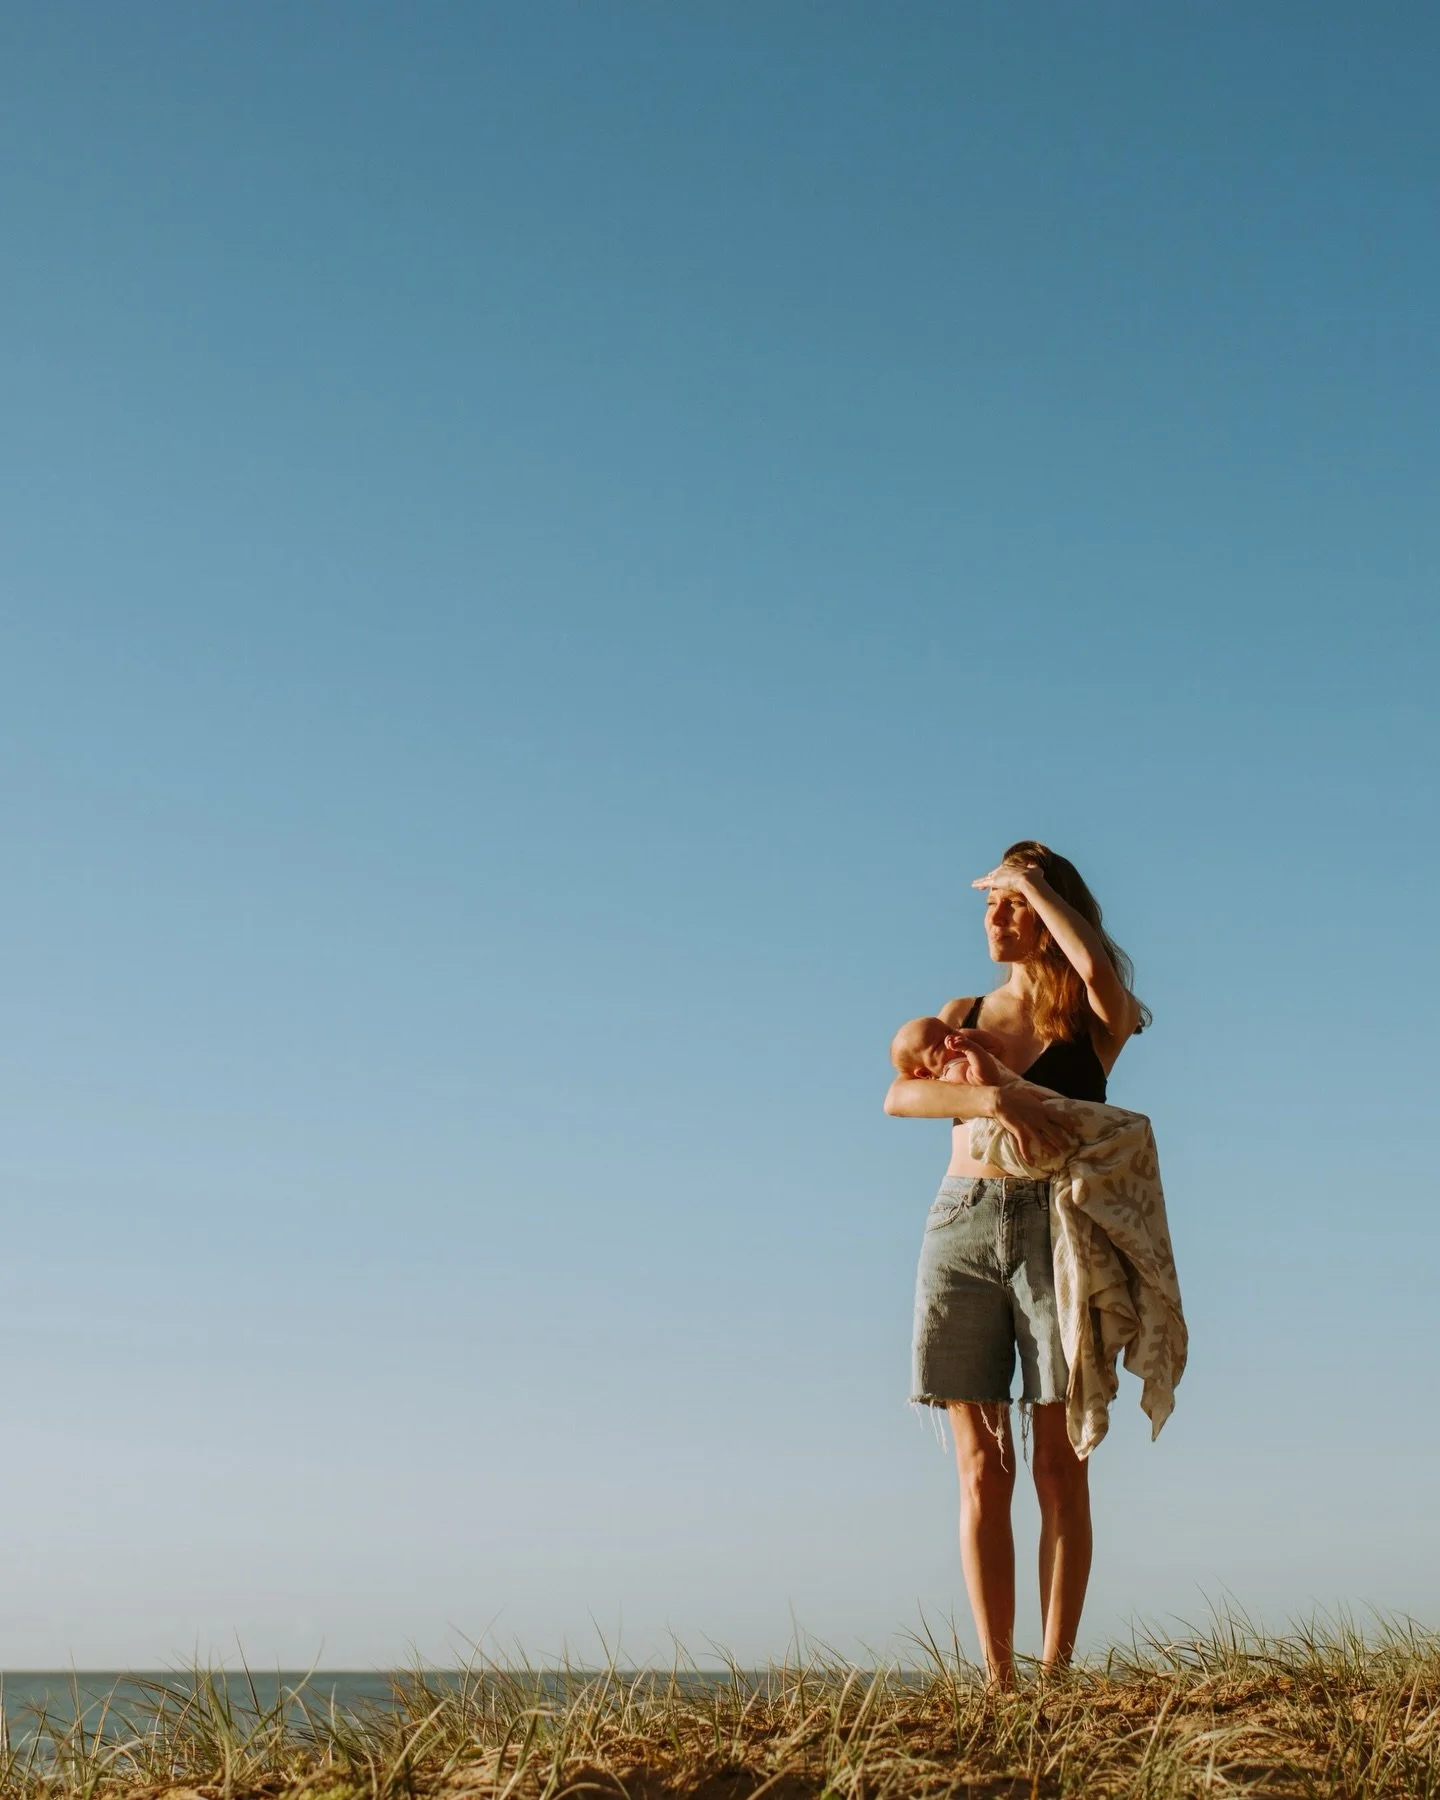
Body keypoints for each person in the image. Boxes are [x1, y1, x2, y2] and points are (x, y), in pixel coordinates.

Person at [883, 841, 1149, 1685]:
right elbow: (900, 1096)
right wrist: (990, 1094)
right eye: (991, 902)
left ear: (1049, 910)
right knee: (979, 1466)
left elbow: (1102, 976)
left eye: (1013, 904)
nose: (995, 916)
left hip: (1056, 1231)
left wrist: (1033, 880)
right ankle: (998, 1681)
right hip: (960, 1227)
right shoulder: (962, 1013)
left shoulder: (1094, 1019)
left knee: (1057, 1461)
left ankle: (1054, 1676)